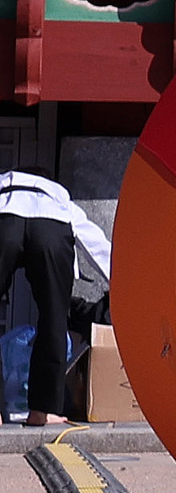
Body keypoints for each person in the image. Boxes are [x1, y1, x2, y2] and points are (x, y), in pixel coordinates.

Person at [0, 170, 111, 424]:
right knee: (54, 318)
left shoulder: (5, 181)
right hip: (51, 225)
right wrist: (120, 281)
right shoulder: (57, 194)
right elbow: (94, 242)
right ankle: (42, 411)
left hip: (5, 218)